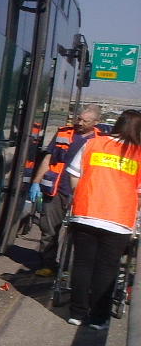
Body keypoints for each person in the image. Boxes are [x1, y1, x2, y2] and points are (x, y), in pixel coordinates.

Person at [63, 109, 141, 328]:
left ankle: (77, 313)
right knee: (107, 269)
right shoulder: (138, 154)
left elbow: (74, 175)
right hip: (118, 220)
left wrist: (80, 196)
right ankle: (98, 318)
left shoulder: (93, 144)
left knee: (82, 264)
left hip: (86, 213)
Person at [29, 105, 105, 275]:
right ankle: (48, 265)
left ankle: (71, 269)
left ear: (96, 122)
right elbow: (48, 158)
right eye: (79, 119)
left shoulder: (101, 141)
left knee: (79, 235)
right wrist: (36, 182)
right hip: (56, 190)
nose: (80, 123)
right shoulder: (64, 133)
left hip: (82, 193)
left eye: (85, 121)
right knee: (48, 230)